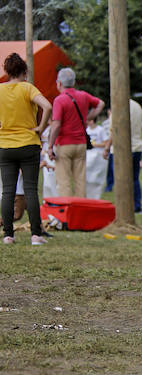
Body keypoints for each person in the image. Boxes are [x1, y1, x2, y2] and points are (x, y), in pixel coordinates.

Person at [0, 53, 53, 245]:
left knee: (8, 191)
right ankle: (36, 235)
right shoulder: (27, 88)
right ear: (25, 71)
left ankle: (8, 235)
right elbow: (47, 106)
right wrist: (40, 127)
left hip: (5, 145)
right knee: (30, 189)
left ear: (6, 72)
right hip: (28, 143)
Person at [46, 67, 105, 198]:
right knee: (80, 180)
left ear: (59, 83)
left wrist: (50, 146)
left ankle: (67, 210)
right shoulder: (83, 95)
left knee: (64, 180)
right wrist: (89, 117)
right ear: (73, 82)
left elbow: (56, 125)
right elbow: (101, 103)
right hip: (81, 144)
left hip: (64, 144)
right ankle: (80, 207)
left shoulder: (59, 100)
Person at [103, 99, 142, 212]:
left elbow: (113, 131)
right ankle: (136, 206)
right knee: (134, 179)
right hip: (136, 146)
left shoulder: (118, 105)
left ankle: (122, 207)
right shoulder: (137, 106)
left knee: (120, 179)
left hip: (120, 149)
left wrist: (107, 148)